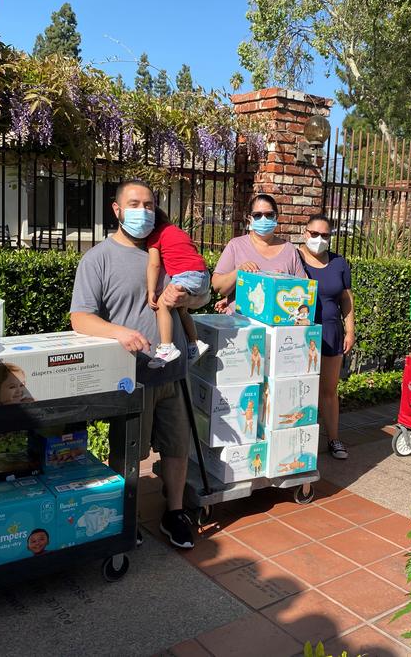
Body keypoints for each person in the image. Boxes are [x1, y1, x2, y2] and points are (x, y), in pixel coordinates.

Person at [70, 179, 210, 549]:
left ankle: (175, 512)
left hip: (174, 373)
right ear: (117, 210)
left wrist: (193, 296)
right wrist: (119, 332)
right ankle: (124, 514)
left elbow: (194, 298)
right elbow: (81, 318)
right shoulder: (97, 259)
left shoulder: (165, 247)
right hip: (132, 378)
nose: (143, 211)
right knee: (129, 451)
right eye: (134, 204)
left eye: (149, 205)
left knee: (178, 447)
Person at [297, 215, 356, 460]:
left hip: (331, 332)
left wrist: (350, 329)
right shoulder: (293, 258)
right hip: (300, 335)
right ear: (304, 232)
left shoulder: (339, 262)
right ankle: (299, 441)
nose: (319, 239)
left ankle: (334, 439)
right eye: (314, 234)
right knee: (299, 388)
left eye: (325, 235)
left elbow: (346, 297)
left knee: (329, 389)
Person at [211, 194, 305, 312]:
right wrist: (238, 272)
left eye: (269, 215)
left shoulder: (290, 250)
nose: (263, 219)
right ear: (250, 219)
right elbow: (218, 287)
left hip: (278, 325)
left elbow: (304, 291)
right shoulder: (236, 245)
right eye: (258, 215)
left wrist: (285, 282)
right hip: (242, 326)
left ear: (276, 217)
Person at [146, 207, 210, 367]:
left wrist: (152, 291)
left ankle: (167, 347)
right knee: (182, 310)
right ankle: (194, 343)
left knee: (162, 305)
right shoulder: (177, 231)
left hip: (186, 275)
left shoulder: (155, 236)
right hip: (203, 274)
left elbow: (154, 264)